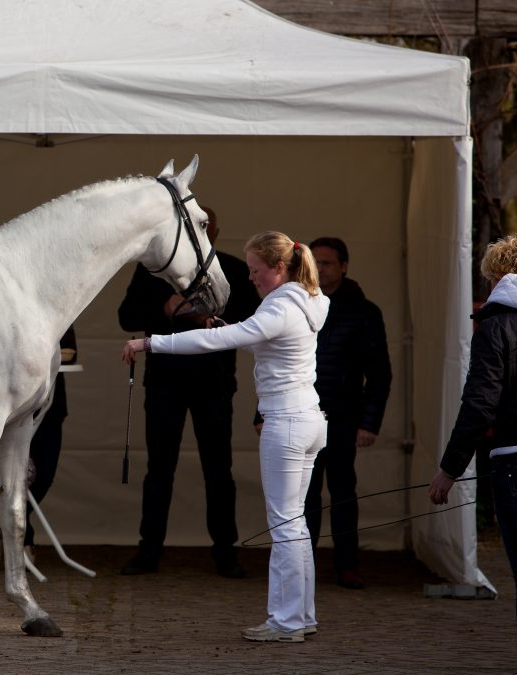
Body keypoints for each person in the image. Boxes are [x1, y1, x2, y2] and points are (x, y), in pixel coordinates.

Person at [123, 231, 329, 643]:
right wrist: (231, 326)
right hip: (307, 417)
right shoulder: (311, 300)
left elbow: (218, 340)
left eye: (255, 271)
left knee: (285, 525)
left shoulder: (281, 304)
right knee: (296, 523)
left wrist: (151, 342)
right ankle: (301, 616)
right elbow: (260, 339)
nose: (250, 278)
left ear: (277, 268)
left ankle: (286, 621)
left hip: (287, 421)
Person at [117, 208, 260, 578]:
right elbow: (126, 315)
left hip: (213, 382)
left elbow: (251, 319)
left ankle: (225, 553)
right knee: (159, 469)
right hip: (164, 382)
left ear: (215, 230)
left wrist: (203, 316)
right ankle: (149, 552)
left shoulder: (230, 268)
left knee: (219, 469)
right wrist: (163, 307)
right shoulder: (155, 272)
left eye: (206, 228)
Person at [430, 234, 517, 674]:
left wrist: (450, 470)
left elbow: (480, 404)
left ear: (493, 277)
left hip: (516, 466)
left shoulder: (496, 325)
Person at [304, 237, 391, 590]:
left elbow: (380, 372)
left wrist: (369, 422)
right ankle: (302, 566)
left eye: (327, 262)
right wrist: (262, 413)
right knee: (303, 496)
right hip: (302, 414)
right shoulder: (296, 305)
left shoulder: (364, 311)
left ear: (343, 267)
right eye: (315, 262)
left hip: (342, 417)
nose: (320, 269)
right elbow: (274, 364)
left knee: (342, 492)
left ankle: (347, 565)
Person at [0, 326, 77, 569]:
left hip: (49, 410)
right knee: (7, 477)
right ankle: (22, 537)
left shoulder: (58, 310)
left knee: (43, 476)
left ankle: (1, 525)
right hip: (10, 411)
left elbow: (69, 352)